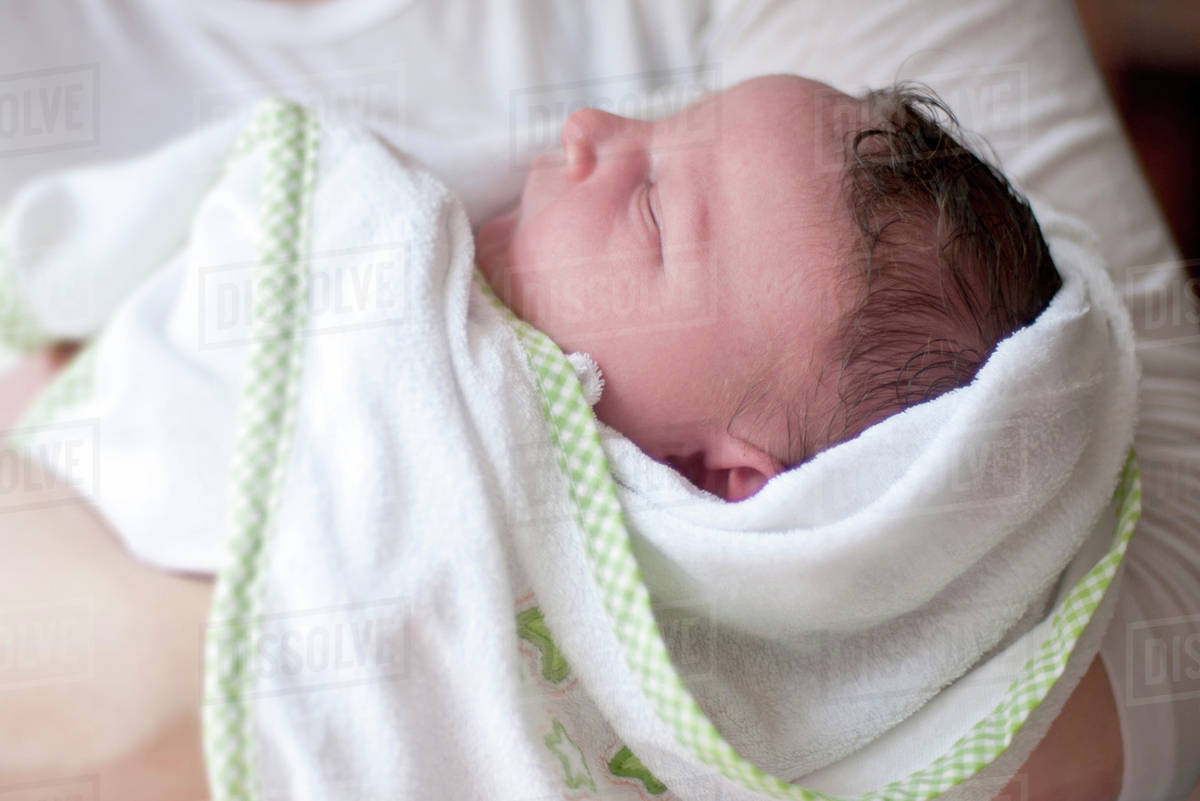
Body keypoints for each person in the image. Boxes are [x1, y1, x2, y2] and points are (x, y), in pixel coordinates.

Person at [0, 75, 1122, 800]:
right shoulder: (390, 238)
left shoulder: (580, 567)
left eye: (649, 208)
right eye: (663, 120)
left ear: (727, 479)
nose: (588, 132)